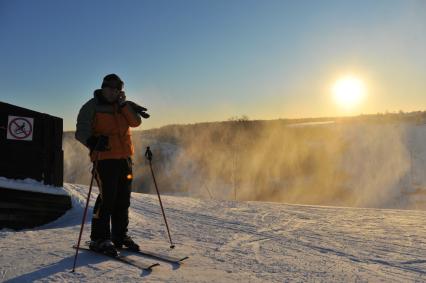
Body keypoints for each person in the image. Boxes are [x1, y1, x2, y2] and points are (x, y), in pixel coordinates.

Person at [75, 74, 147, 255]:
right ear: (103, 88)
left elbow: (135, 122)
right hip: (104, 159)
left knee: (123, 200)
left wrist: (125, 106)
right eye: (111, 89)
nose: (114, 93)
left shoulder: (122, 106)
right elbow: (81, 131)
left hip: (124, 158)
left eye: (118, 90)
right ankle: (99, 238)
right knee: (107, 199)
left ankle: (119, 236)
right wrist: (92, 142)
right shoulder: (91, 106)